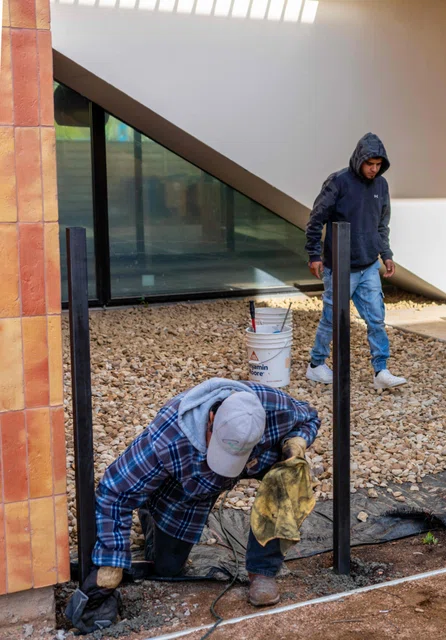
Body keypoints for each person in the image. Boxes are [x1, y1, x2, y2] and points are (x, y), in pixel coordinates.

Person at [66, 379, 321, 633]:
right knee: (168, 567)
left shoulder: (275, 408)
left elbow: (310, 418)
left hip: (255, 464)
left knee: (292, 475)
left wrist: (297, 442)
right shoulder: (170, 436)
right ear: (211, 418)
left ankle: (263, 569)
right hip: (189, 484)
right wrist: (111, 563)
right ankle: (151, 508)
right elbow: (115, 490)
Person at [305, 132, 407, 390]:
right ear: (359, 160)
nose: (374, 169)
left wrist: (386, 254)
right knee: (331, 319)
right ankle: (316, 364)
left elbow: (381, 224)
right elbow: (316, 219)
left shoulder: (381, 186)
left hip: (369, 265)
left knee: (376, 320)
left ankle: (381, 371)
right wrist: (314, 254)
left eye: (378, 165)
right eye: (369, 164)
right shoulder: (338, 182)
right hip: (339, 267)